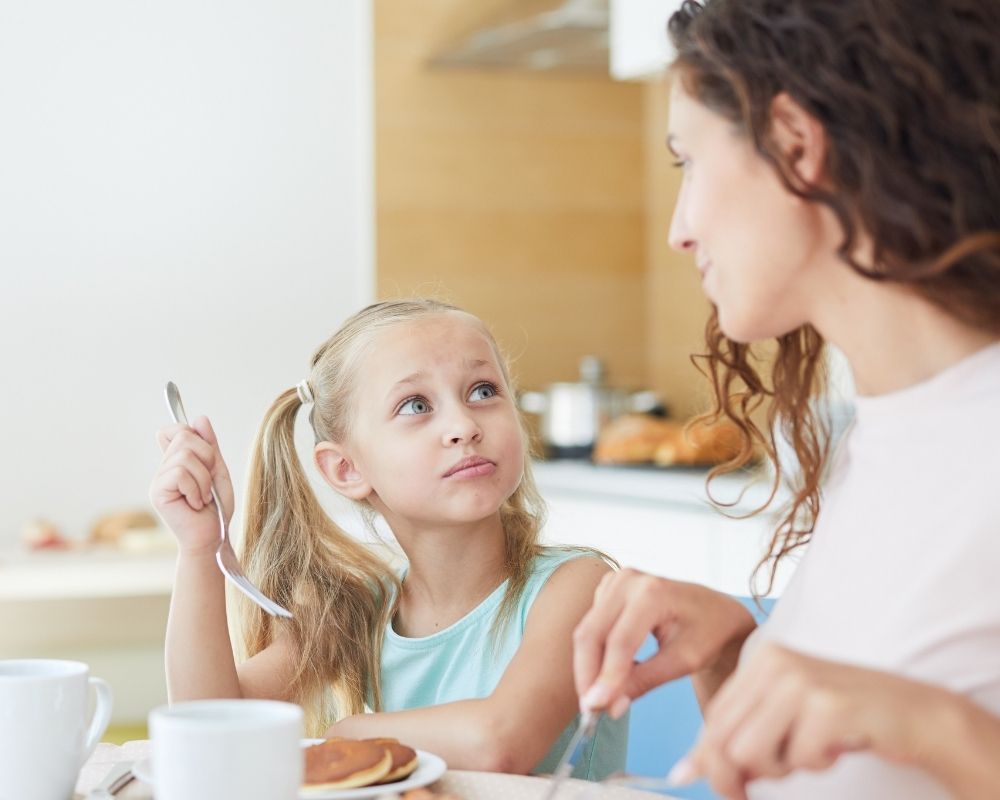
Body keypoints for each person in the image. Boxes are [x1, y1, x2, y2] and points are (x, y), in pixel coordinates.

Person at [572, 1, 1000, 798]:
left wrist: (938, 728)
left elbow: (919, 728)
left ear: (797, 147)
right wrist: (739, 655)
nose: (679, 230)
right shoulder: (888, 437)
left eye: (687, 163)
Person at [150, 298, 627, 779]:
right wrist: (198, 549)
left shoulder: (580, 587)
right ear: (347, 469)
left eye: (483, 391)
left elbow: (499, 744)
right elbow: (208, 728)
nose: (464, 426)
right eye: (416, 406)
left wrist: (343, 735)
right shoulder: (359, 608)